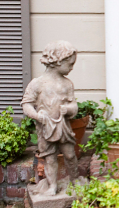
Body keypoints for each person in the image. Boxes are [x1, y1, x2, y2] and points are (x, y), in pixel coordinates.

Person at [22, 41, 81, 195]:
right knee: (50, 158)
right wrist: (37, 116)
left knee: (69, 154)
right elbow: (26, 104)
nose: (72, 68)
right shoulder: (37, 84)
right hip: (45, 127)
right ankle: (52, 186)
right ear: (58, 61)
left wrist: (67, 109)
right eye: (70, 64)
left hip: (63, 127)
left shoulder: (67, 84)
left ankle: (75, 180)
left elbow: (74, 107)